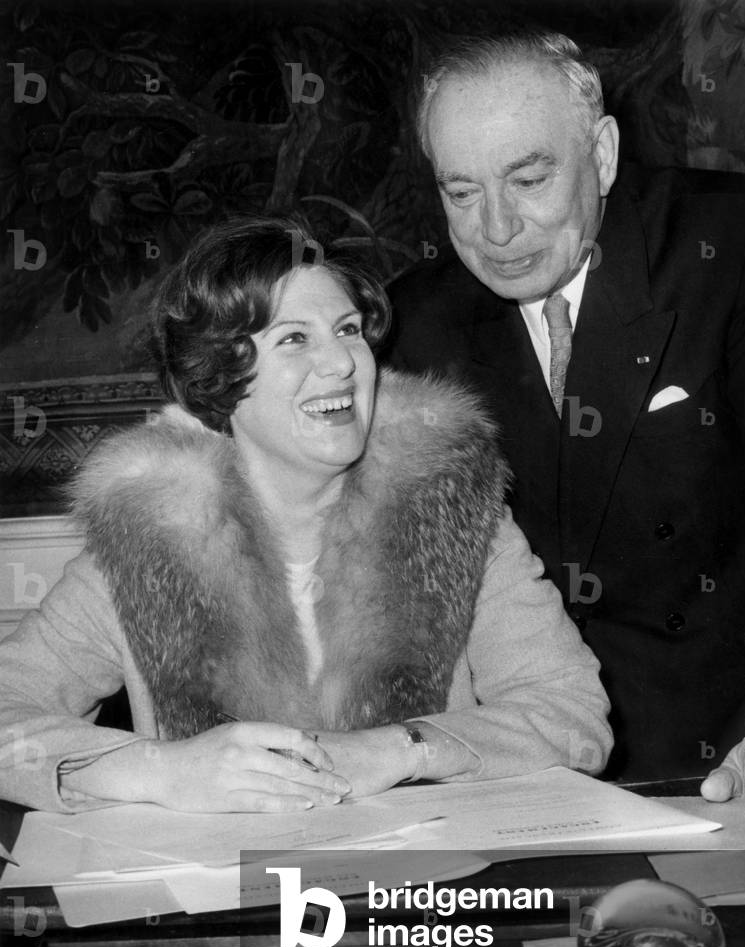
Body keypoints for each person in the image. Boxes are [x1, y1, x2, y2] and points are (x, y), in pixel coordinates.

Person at [0, 214, 612, 814]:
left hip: (414, 901)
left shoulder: (452, 509)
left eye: (348, 330)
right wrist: (165, 772)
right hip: (223, 901)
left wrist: (406, 749)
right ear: (220, 377)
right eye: (295, 338)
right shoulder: (147, 539)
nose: (343, 362)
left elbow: (572, 712)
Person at [384, 30, 745, 813]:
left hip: (733, 759)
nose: (495, 229)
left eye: (528, 178)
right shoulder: (415, 325)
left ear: (604, 153)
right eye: (461, 192)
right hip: (522, 780)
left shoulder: (736, 248)